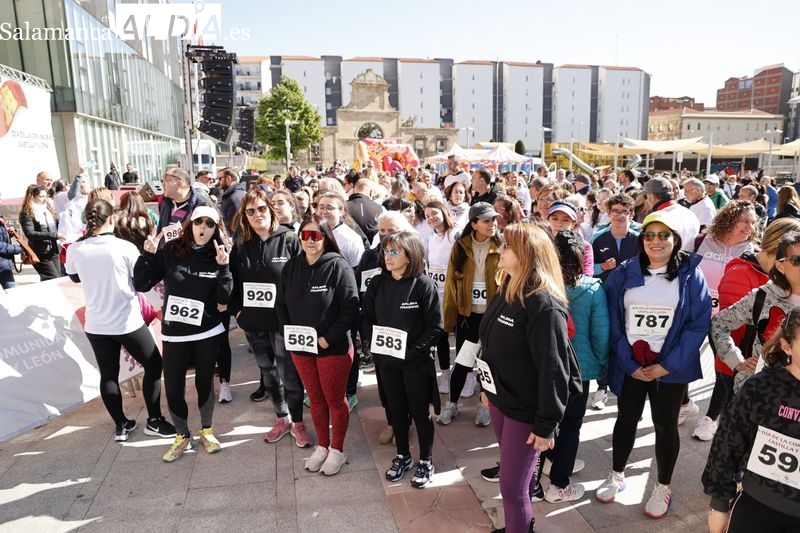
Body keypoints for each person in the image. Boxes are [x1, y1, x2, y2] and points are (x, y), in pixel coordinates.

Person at [595, 211, 712, 519]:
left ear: (675, 240)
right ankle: (617, 474)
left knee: (665, 423)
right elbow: (612, 320)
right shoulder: (624, 272)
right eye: (649, 235)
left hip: (669, 368)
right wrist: (627, 361)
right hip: (632, 363)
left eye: (664, 235)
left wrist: (668, 365)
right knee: (626, 417)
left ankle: (663, 485)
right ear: (641, 239)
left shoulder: (690, 274)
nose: (656, 242)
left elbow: (697, 324)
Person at [479, 223, 580, 533]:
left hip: (527, 410)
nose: (499, 250)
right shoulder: (508, 287)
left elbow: (554, 369)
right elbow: (490, 341)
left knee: (512, 489)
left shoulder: (544, 304)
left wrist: (547, 424)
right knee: (516, 479)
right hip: (500, 400)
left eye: (506, 246)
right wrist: (487, 387)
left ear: (525, 253)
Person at [65, 199, 175, 442]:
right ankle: (154, 421)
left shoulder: (75, 248)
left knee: (108, 375)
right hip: (126, 321)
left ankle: (121, 426)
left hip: (96, 324)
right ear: (112, 219)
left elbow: (73, 277)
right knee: (154, 366)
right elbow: (140, 281)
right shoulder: (123, 247)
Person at [134, 205, 233, 462]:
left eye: (210, 224)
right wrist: (147, 255)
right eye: (199, 222)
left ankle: (207, 431)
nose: (204, 228)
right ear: (190, 224)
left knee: (204, 384)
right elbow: (141, 283)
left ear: (215, 229)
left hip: (207, 331)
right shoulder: (171, 250)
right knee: (174, 386)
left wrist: (224, 268)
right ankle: (182, 435)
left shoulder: (218, 254)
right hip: (175, 334)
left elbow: (224, 299)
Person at [702, 307, 800, 533]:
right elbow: (727, 443)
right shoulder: (761, 388)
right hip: (757, 509)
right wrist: (718, 506)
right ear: (787, 346)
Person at [276, 216, 359, 476]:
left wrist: (326, 338)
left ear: (325, 238)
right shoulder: (291, 267)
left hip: (331, 347)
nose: (309, 241)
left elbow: (350, 309)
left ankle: (338, 449)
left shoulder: (338, 266)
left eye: (316, 236)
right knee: (316, 400)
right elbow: (281, 305)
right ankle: (322, 445)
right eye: (305, 235)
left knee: (335, 399)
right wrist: (289, 333)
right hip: (301, 347)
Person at [228, 189, 310, 447]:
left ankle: (298, 422)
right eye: (250, 211)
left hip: (284, 322)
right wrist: (237, 311)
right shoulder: (241, 242)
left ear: (271, 210)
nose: (256, 215)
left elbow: (303, 279)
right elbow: (232, 280)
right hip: (253, 323)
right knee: (269, 374)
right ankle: (281, 418)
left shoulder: (288, 238)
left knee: (290, 374)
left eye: (261, 209)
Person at [362, 231, 443, 488]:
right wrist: (373, 345)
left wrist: (412, 352)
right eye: (386, 251)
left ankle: (426, 459)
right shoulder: (378, 283)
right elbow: (367, 318)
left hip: (416, 363)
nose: (388, 256)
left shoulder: (423, 285)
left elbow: (436, 328)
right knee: (395, 410)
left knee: (420, 413)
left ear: (409, 255)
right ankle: (403, 456)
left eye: (394, 251)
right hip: (387, 363)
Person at [537, 230, 609, 504]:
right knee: (570, 427)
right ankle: (559, 484)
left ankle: (534, 480)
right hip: (580, 370)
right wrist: (602, 366)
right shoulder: (593, 289)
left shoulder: (541, 286)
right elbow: (600, 335)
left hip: (545, 368)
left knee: (543, 423)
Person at [439, 202, 502, 427]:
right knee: (463, 362)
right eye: (486, 220)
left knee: (490, 364)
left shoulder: (502, 246)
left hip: (493, 318)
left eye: (494, 219)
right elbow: (451, 285)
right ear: (474, 224)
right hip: (468, 316)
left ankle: (485, 406)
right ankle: (452, 404)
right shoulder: (460, 247)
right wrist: (449, 320)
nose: (492, 224)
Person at [423, 200, 460, 394]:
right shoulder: (430, 238)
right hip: (436, 295)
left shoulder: (455, 235)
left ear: (444, 212)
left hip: (455, 293)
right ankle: (444, 372)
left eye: (434, 213)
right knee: (441, 336)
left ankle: (466, 374)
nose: (430, 218)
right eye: (427, 215)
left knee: (461, 335)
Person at [19, 184, 63, 281]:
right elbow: (30, 234)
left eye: (45, 196)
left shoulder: (46, 210)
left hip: (53, 250)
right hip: (40, 252)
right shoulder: (26, 213)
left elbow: (54, 226)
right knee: (52, 278)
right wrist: (55, 235)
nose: (44, 199)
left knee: (57, 279)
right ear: (32, 197)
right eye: (41, 196)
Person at [0, 192, 22, 289]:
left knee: (13, 293)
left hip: (3, 263)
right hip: (2, 262)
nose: (1, 202)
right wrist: (18, 249)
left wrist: (8, 231)